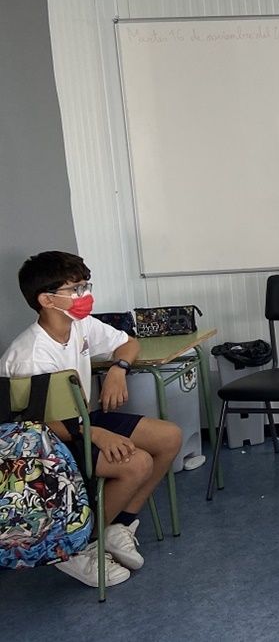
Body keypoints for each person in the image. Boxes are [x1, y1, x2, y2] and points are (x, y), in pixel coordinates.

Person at [0, 251, 182, 587]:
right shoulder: (28, 355)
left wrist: (118, 369)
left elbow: (128, 343)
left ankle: (118, 525)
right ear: (46, 299)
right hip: (45, 444)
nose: (85, 295)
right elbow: (31, 427)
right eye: (75, 288)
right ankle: (77, 548)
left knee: (168, 436)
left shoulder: (80, 323)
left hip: (82, 420)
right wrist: (95, 433)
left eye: (85, 285)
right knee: (135, 462)